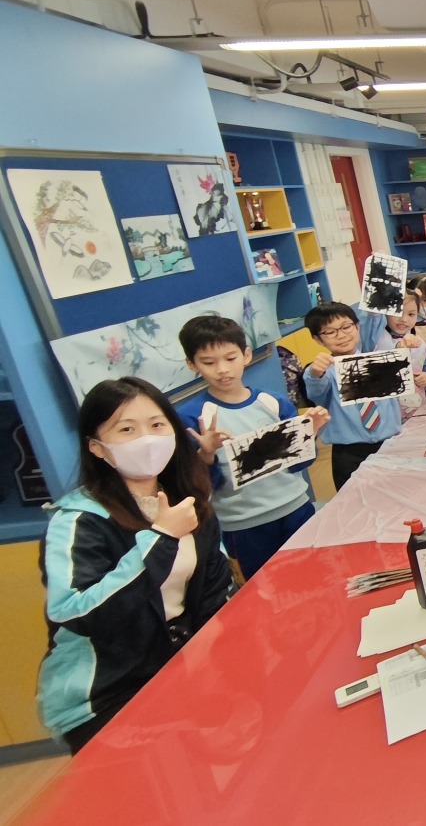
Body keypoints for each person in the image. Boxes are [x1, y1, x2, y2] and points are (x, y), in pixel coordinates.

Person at [39, 377, 237, 753]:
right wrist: (161, 538)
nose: (147, 439)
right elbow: (75, 613)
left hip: (184, 666)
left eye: (157, 424)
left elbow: (216, 590)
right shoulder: (78, 519)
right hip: (109, 690)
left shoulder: (187, 500)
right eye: (127, 429)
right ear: (97, 447)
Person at [175, 315, 329, 579]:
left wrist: (309, 434)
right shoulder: (192, 417)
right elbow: (202, 486)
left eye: (230, 358)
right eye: (209, 362)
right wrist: (207, 454)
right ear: (192, 364)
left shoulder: (273, 403)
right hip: (244, 525)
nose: (222, 369)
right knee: (265, 588)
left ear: (246, 355)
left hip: (296, 508)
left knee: (314, 576)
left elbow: (299, 465)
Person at [303, 302, 402, 489]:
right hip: (350, 453)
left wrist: (407, 344)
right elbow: (316, 391)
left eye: (346, 327)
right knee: (355, 501)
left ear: (357, 326)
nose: (341, 335)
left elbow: (376, 322)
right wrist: (315, 373)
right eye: (329, 332)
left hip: (392, 444)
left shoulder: (378, 361)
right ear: (317, 339)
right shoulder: (324, 372)